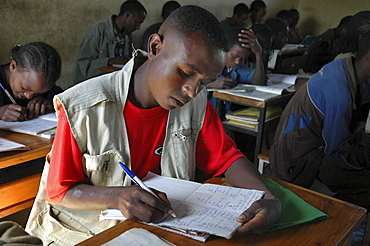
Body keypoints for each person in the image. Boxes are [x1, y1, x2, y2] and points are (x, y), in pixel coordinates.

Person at [26, 5, 281, 245]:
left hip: (154, 231)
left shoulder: (195, 104)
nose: (192, 91)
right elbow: (60, 191)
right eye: (184, 72)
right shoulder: (83, 106)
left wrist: (268, 198)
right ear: (155, 47)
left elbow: (227, 159)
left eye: (204, 82)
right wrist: (117, 196)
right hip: (85, 233)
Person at [269, 11, 370, 210]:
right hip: (299, 160)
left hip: (320, 147)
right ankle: (345, 226)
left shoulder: (350, 68)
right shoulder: (338, 88)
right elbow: (337, 153)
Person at [74, 0, 147, 84]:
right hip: (90, 86)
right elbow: (84, 65)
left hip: (112, 84)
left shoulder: (127, 34)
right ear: (128, 15)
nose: (138, 27)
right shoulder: (98, 30)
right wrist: (110, 61)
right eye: (137, 22)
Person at [207, 26, 265, 112]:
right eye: (234, 56)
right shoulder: (205, 63)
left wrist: (258, 53)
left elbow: (258, 82)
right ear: (223, 49)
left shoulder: (234, 68)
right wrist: (208, 83)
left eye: (242, 58)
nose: (238, 62)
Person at [0, 42, 62, 122]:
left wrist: (54, 105)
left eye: (36, 93)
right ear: (13, 66)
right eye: (24, 87)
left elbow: (70, 104)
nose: (28, 96)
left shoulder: (45, 85)